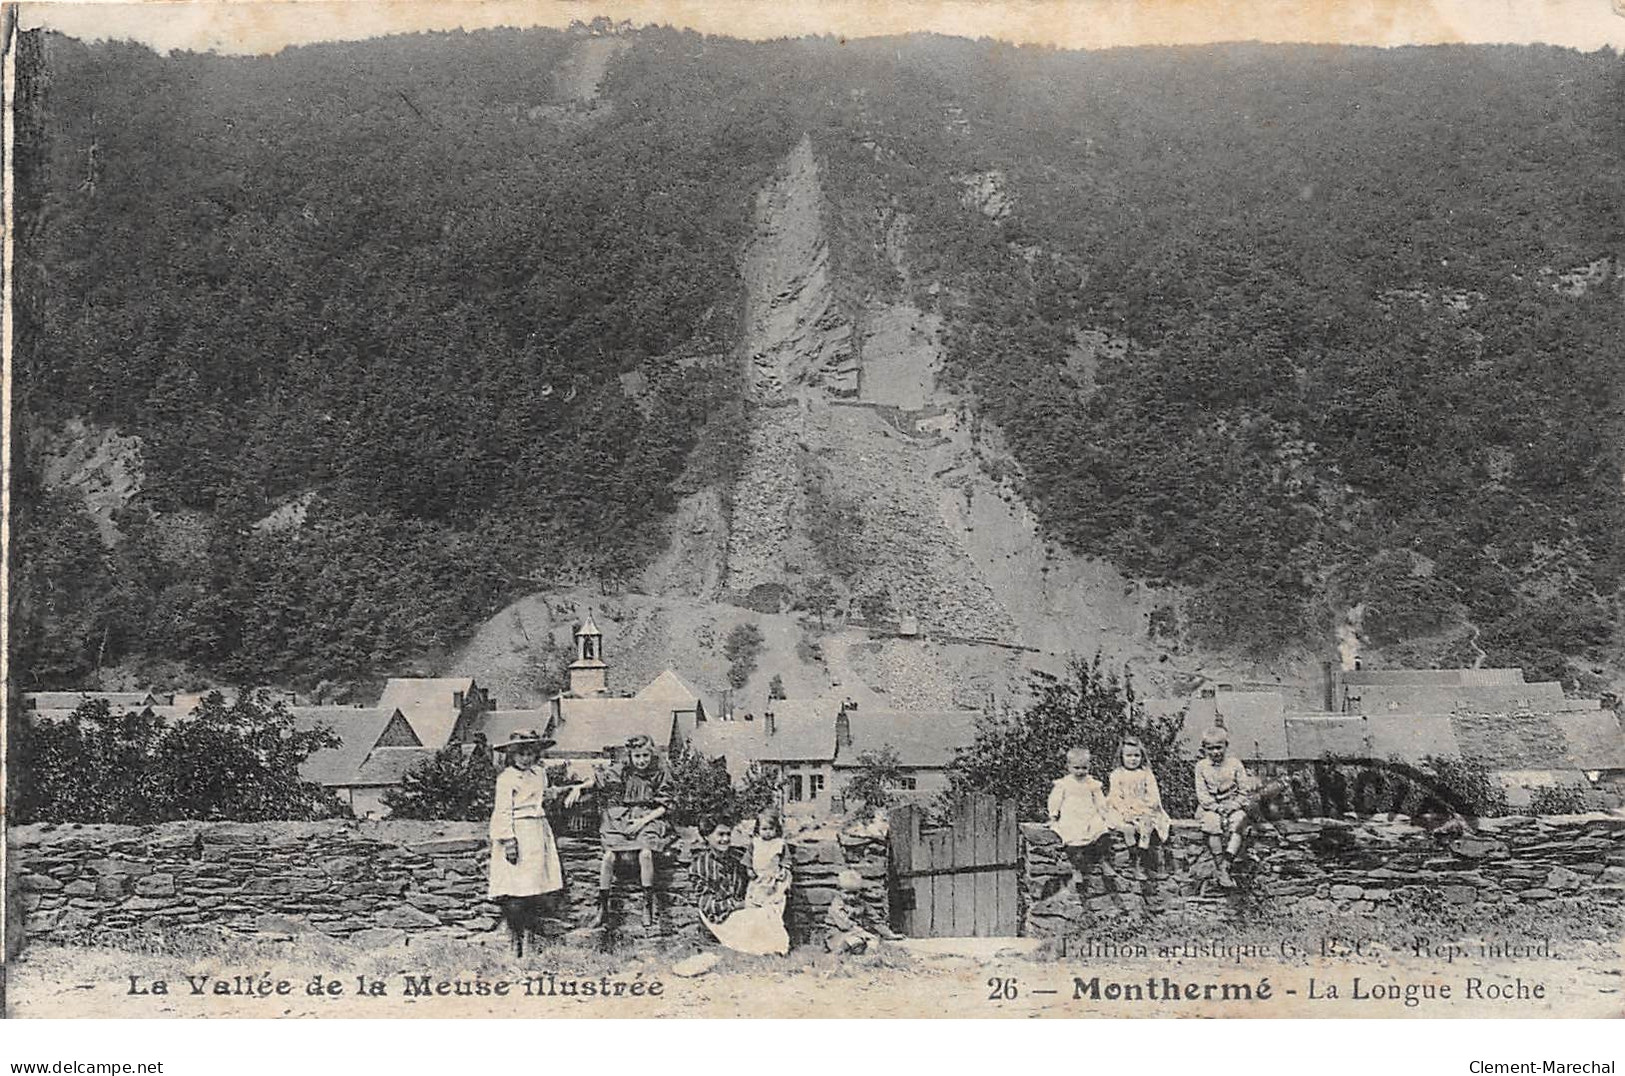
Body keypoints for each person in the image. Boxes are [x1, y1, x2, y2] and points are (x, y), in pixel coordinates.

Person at [487, 729, 586, 957]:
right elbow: (502, 811)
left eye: (530, 753)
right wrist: (509, 841)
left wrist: (575, 788)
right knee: (514, 890)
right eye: (520, 754)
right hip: (517, 832)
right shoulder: (506, 778)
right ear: (511, 754)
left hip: (537, 832)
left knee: (534, 887)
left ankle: (530, 938)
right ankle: (515, 940)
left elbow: (544, 796)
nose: (525, 758)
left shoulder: (539, 773)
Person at [582, 734, 675, 928]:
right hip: (623, 817)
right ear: (630, 756)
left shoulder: (660, 771)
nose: (641, 761)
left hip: (650, 817)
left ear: (651, 754)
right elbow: (601, 780)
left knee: (646, 853)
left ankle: (647, 904)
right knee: (608, 857)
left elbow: (665, 804)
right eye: (637, 756)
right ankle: (603, 907)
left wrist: (642, 821)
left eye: (645, 756)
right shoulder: (623, 770)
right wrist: (579, 787)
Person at [1193, 726, 1253, 888]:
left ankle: (1227, 862)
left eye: (1218, 747)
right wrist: (1217, 808)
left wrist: (1234, 805)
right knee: (1212, 823)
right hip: (1211, 807)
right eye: (1210, 748)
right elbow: (1202, 794)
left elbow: (1244, 791)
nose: (1215, 752)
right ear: (1204, 748)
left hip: (1233, 805)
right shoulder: (1201, 767)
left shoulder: (1235, 764)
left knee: (1239, 822)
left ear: (1226, 745)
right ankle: (1220, 866)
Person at [1047, 746, 1116, 882]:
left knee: (1101, 831)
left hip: (1089, 816)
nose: (1080, 771)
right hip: (1071, 818)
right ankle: (1076, 868)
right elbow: (1055, 800)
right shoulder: (1064, 784)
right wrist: (1053, 815)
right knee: (1073, 840)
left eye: (1084, 768)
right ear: (1069, 767)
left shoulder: (1091, 783)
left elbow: (1099, 800)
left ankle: (1104, 862)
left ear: (1089, 767)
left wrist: (1103, 814)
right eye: (1076, 768)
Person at [1105, 735, 1171, 877]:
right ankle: (1133, 859)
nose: (1133, 759)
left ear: (1142, 756)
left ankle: (1142, 860)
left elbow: (1154, 796)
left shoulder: (1146, 774)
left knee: (1147, 826)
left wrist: (1145, 809)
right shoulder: (1117, 774)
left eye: (1136, 755)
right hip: (1124, 810)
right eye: (1128, 755)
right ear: (1121, 756)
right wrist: (1124, 811)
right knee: (1127, 828)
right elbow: (1115, 796)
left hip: (1143, 809)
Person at [689, 813, 753, 943]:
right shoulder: (700, 866)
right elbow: (707, 905)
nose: (725, 839)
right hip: (717, 920)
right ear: (707, 836)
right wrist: (737, 905)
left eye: (728, 834)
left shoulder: (738, 857)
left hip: (741, 914)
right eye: (720, 834)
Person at [824, 868, 900, 955]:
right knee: (856, 941)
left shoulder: (861, 904)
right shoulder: (837, 906)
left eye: (855, 893)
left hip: (857, 933)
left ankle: (870, 957)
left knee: (874, 941)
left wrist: (888, 934)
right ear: (839, 892)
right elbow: (845, 925)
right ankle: (839, 954)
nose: (851, 897)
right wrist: (865, 934)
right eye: (847, 893)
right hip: (839, 934)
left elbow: (875, 920)